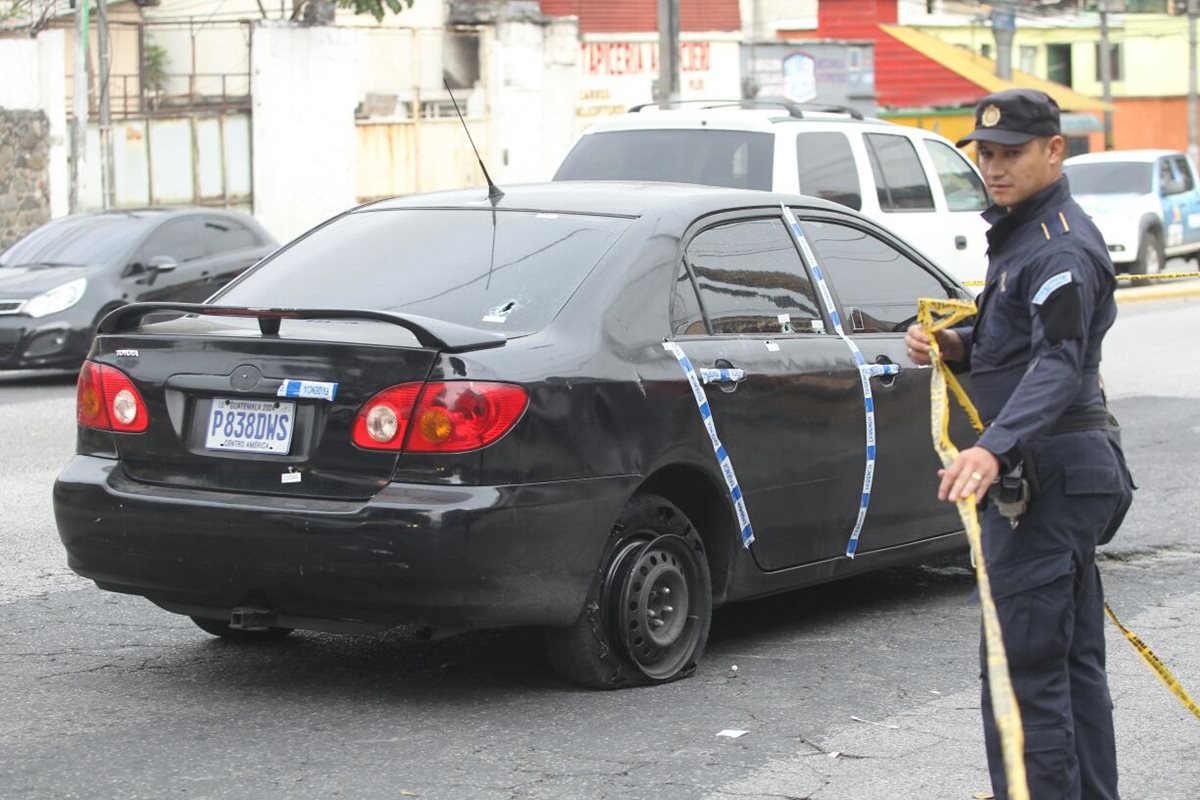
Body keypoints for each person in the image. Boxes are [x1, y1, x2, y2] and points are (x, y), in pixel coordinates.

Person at [905, 88, 1134, 800]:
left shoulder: (1058, 246)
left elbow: (1060, 362)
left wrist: (992, 448)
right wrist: (955, 342)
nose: (995, 169)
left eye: (1012, 155)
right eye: (988, 155)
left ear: (1055, 150)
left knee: (1023, 672)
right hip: (1062, 473)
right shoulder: (1024, 236)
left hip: (1047, 477)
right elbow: (1013, 338)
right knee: (1067, 665)